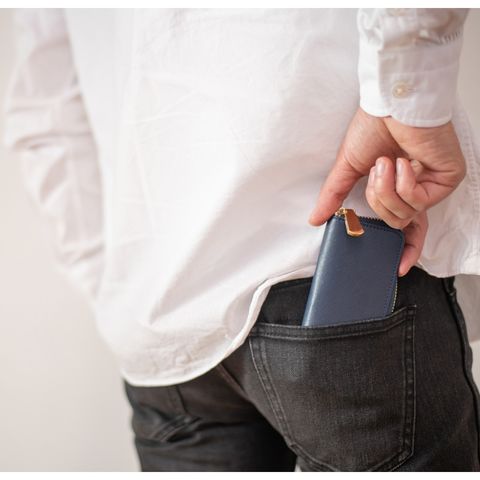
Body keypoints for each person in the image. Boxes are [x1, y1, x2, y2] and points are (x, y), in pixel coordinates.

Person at [4, 8, 480, 472]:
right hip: (319, 265)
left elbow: (47, 119)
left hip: (163, 317)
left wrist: (117, 289)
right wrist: (406, 103)